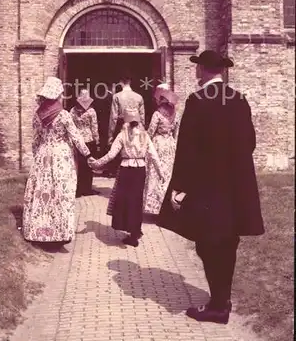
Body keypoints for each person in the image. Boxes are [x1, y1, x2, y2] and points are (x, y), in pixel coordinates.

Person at [158, 50, 265, 324]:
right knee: (229, 241)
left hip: (208, 187)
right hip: (235, 186)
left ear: (202, 70)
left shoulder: (197, 101)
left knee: (207, 243)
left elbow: (187, 149)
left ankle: (218, 306)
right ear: (222, 72)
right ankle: (222, 298)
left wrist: (179, 187)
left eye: (197, 68)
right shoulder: (239, 99)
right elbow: (249, 143)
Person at [23, 77, 93, 248]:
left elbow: (36, 140)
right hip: (61, 156)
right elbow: (76, 137)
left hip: (43, 155)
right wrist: (88, 154)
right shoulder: (63, 115)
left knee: (41, 192)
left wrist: (37, 156)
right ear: (57, 95)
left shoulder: (38, 115)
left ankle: (38, 231)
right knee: (62, 192)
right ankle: (60, 232)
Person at [89, 109, 163, 247]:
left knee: (125, 201)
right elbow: (153, 155)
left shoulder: (122, 135)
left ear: (126, 121)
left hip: (126, 170)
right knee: (136, 201)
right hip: (140, 170)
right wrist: (161, 173)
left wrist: (96, 163)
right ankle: (135, 231)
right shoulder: (144, 136)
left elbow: (111, 155)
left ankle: (130, 229)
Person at [144, 87, 180, 215]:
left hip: (158, 144)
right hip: (170, 144)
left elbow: (150, 131)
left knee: (156, 174)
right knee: (168, 174)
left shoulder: (157, 114)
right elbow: (176, 132)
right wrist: (173, 143)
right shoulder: (175, 114)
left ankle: (155, 206)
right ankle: (167, 205)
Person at [107, 71, 145, 177]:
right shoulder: (139, 97)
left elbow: (113, 117)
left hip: (122, 126)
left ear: (121, 82)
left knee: (122, 153)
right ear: (130, 82)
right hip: (136, 127)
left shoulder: (117, 96)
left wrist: (110, 135)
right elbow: (142, 117)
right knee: (134, 151)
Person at [70, 89, 100, 196]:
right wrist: (97, 141)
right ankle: (87, 189)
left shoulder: (72, 111)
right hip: (89, 139)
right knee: (88, 165)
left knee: (78, 164)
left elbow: (71, 126)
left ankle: (77, 189)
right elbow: (94, 127)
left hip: (77, 140)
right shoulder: (91, 111)